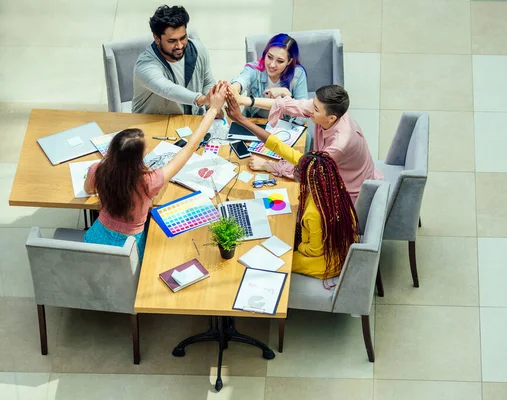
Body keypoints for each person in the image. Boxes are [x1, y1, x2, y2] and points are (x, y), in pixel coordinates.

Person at [225, 94, 358, 284]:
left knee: (271, 258)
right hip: (338, 242)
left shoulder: (314, 212)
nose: (296, 174)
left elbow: (314, 250)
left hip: (322, 260)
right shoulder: (331, 181)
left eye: (298, 173)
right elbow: (278, 145)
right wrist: (242, 120)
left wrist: (297, 246)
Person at [84, 84, 227, 260]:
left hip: (95, 240)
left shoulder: (98, 169)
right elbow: (189, 148)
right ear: (138, 159)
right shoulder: (148, 181)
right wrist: (213, 109)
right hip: (129, 248)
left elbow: (89, 190)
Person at [228, 84, 382, 203]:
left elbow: (306, 167)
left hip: (347, 193)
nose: (310, 111)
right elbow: (288, 105)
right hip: (341, 172)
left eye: (315, 109)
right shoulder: (330, 111)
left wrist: (271, 165)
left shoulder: (339, 144)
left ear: (332, 118)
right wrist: (244, 101)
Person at [132, 5, 218, 116]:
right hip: (152, 123)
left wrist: (210, 105)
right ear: (157, 39)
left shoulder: (198, 50)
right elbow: (167, 89)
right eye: (172, 41)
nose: (179, 46)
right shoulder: (145, 66)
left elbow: (207, 82)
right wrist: (201, 99)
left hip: (190, 121)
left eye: (183, 38)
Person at [230, 33, 308, 123]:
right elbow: (242, 80)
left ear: (289, 61)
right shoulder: (254, 69)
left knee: (306, 137)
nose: (272, 65)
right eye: (269, 57)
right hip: (255, 121)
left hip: (284, 124)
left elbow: (303, 112)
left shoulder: (297, 74)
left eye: (280, 61)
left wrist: (287, 96)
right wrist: (234, 88)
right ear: (265, 53)